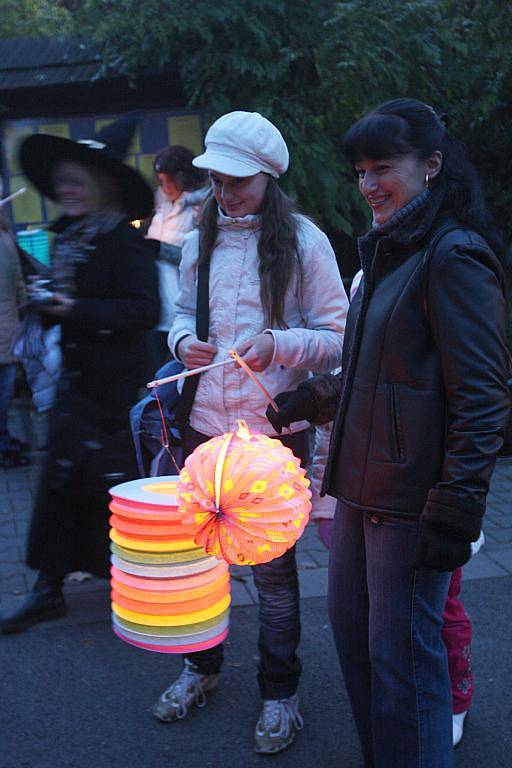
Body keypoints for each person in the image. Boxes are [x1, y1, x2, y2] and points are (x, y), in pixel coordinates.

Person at [267, 98, 510, 767]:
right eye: (361, 169)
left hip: (411, 501)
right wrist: (312, 397)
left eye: (385, 166)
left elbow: (485, 396)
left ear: (431, 166)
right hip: (357, 487)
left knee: (406, 667)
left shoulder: (452, 254)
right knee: (358, 646)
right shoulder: (387, 253)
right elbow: (376, 372)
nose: (369, 182)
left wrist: (456, 508)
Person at [155, 111, 348, 754]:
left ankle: (280, 693)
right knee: (201, 564)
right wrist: (184, 341)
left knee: (271, 576)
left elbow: (339, 336)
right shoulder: (197, 236)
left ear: (267, 177)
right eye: (216, 178)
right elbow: (181, 312)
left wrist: (280, 342)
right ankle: (200, 669)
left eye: (238, 180)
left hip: (272, 435)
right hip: (204, 426)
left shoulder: (304, 240)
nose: (226, 191)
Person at [0, 117, 160, 634]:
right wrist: (47, 304)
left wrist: (76, 308)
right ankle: (62, 586)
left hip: (111, 389)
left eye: (77, 182)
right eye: (62, 181)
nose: (66, 190)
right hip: (75, 382)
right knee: (67, 483)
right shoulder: (68, 237)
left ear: (101, 187)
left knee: (92, 486)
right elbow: (69, 305)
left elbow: (141, 311)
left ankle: (99, 585)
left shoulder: (123, 241)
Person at [146, 145, 207, 367]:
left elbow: (201, 257)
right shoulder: (160, 206)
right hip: (157, 306)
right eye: (161, 181)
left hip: (181, 307)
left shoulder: (199, 207)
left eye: (170, 180)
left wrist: (158, 249)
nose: (166, 187)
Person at [0, 181, 28, 469]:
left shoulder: (4, 236)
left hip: (7, 329)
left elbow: (17, 279)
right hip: (7, 329)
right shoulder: (4, 235)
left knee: (5, 392)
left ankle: (5, 438)